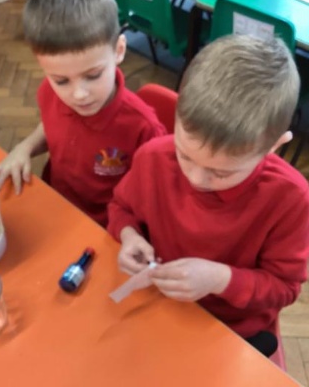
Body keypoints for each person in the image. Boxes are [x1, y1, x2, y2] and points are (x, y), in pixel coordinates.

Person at [107, 34, 309, 357]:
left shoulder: (290, 199)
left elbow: (284, 288)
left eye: (222, 173)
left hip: (232, 329)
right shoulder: (153, 157)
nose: (196, 178)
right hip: (160, 306)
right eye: (184, 155)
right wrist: (129, 235)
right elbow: (121, 207)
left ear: (273, 146)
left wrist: (220, 279)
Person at [0, 0, 166, 227]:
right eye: (61, 80)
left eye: (93, 75)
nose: (79, 94)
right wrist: (24, 147)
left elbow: (154, 199)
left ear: (119, 51)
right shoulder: (49, 92)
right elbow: (52, 126)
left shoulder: (144, 128)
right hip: (56, 203)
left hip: (105, 227)